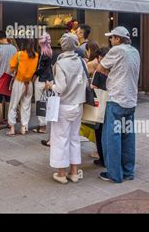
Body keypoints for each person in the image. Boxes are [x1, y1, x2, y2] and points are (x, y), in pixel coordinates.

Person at [96, 26, 140, 183]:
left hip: (116, 99)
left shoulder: (116, 51)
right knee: (128, 137)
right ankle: (128, 171)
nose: (110, 40)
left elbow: (101, 68)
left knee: (111, 138)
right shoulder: (135, 51)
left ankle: (114, 174)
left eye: (112, 37)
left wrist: (111, 74)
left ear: (118, 39)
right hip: (130, 100)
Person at [45, 33, 88, 184]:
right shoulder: (82, 62)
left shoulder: (60, 63)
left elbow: (61, 87)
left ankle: (62, 173)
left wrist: (50, 85)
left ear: (63, 46)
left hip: (63, 105)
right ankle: (74, 172)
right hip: (78, 105)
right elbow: (85, 83)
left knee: (60, 138)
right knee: (74, 138)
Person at [6, 39, 39, 136]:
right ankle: (24, 128)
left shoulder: (19, 54)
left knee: (13, 105)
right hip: (29, 83)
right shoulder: (36, 55)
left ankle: (12, 128)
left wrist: (15, 71)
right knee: (26, 105)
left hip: (19, 82)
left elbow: (11, 67)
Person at [87, 46, 110, 167]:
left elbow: (94, 88)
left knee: (99, 132)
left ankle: (102, 159)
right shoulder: (113, 69)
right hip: (110, 104)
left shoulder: (99, 71)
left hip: (99, 105)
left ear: (100, 58)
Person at [32, 33, 54, 134]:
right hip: (49, 79)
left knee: (40, 103)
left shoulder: (43, 54)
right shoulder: (49, 51)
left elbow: (41, 68)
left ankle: (42, 126)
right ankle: (46, 124)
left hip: (42, 80)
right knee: (46, 103)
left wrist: (34, 75)